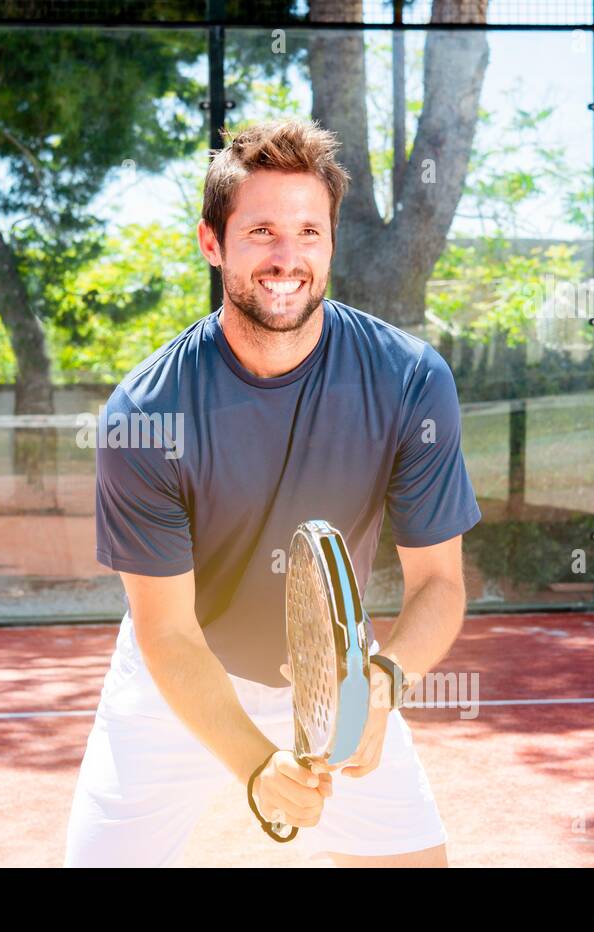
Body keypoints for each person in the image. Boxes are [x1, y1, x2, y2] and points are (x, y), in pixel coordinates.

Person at [63, 118, 481, 867]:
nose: (287, 258)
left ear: (330, 244)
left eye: (309, 232)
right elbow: (168, 632)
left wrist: (380, 683)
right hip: (178, 675)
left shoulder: (413, 381)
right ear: (212, 243)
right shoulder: (144, 414)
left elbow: (440, 584)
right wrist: (259, 766)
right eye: (261, 231)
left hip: (343, 667)